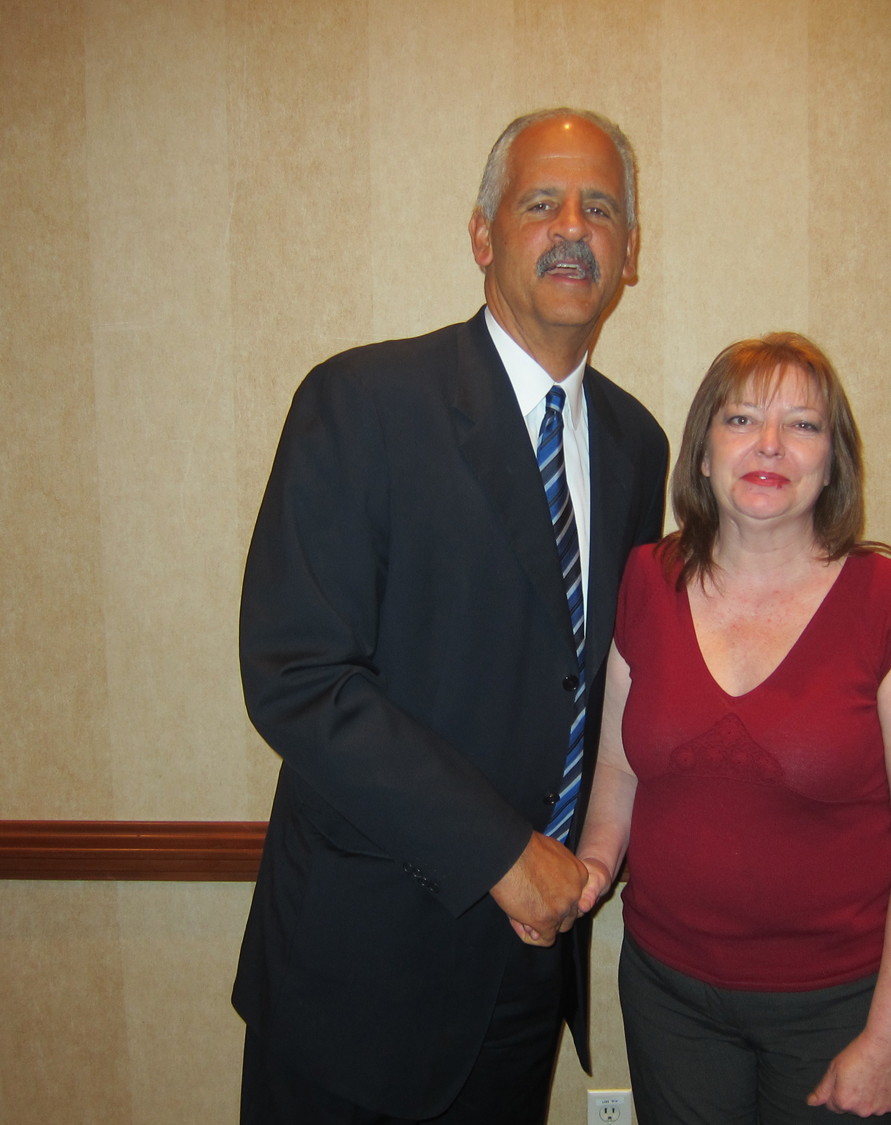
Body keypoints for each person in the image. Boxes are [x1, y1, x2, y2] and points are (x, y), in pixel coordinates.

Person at [233, 108, 669, 1125]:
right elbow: (299, 676)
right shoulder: (363, 402)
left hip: (523, 983)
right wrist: (503, 855)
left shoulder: (638, 444)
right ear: (482, 235)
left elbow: (602, 681)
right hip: (358, 983)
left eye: (601, 209)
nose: (574, 228)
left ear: (631, 252)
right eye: (542, 203)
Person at [575, 333, 891, 1123]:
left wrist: (889, 1041)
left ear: (833, 462)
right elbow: (618, 767)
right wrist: (590, 866)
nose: (770, 444)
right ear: (703, 453)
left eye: (803, 425)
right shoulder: (647, 580)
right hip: (668, 996)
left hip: (837, 1006)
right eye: (742, 418)